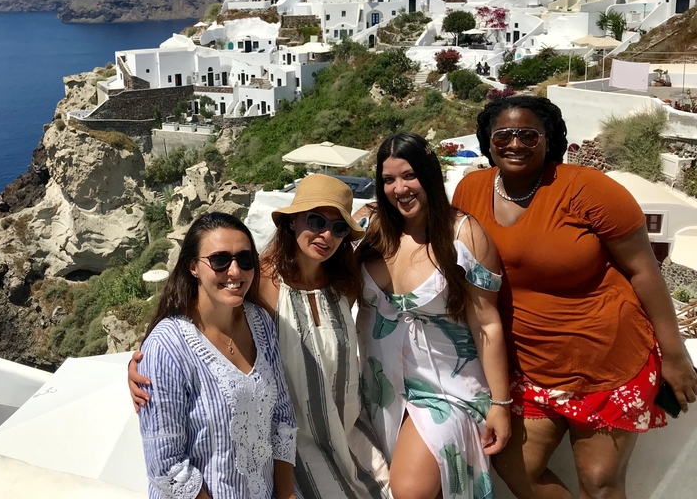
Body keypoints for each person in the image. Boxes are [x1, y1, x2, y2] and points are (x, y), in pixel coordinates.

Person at [452, 95, 697, 499]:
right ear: (488, 140)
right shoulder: (470, 190)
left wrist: (674, 355)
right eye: (504, 135)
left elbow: (644, 270)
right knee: (516, 467)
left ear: (549, 140)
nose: (515, 144)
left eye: (529, 135)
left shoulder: (588, 189)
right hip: (528, 365)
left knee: (600, 483)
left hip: (608, 361)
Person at [131, 174, 392, 499]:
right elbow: (167, 460)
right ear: (293, 221)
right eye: (316, 220)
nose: (327, 234)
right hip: (300, 450)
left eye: (339, 228)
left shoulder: (344, 277)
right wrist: (141, 364)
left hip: (344, 427)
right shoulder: (264, 282)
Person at [356, 132, 511, 499]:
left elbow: (486, 322)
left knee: (409, 490)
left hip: (446, 390)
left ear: (429, 174)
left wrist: (501, 406)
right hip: (381, 389)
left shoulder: (462, 235)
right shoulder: (372, 231)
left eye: (409, 175)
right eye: (389, 179)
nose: (400, 188)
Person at [137, 212, 298, 499]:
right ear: (193, 268)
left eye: (245, 260)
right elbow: (168, 466)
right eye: (220, 260)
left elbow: (282, 420)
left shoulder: (259, 322)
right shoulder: (167, 346)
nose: (235, 271)